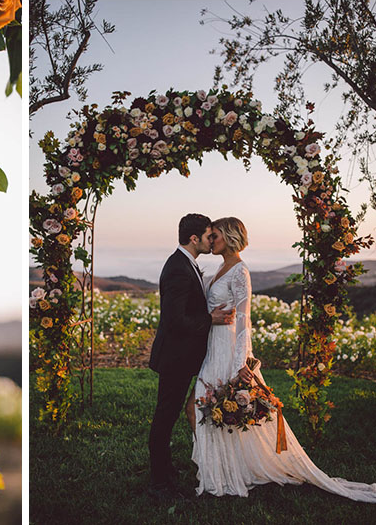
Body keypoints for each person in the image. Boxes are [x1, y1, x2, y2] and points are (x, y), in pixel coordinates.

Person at [191, 216, 376, 501]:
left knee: (219, 403)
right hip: (212, 345)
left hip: (229, 349)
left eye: (214, 235)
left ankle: (229, 471)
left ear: (228, 237)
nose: (210, 240)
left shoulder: (240, 271)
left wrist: (241, 365)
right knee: (206, 402)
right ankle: (219, 468)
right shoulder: (219, 267)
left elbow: (244, 321)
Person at [148, 213, 235, 497]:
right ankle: (160, 482)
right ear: (195, 238)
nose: (213, 241)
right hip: (175, 357)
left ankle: (166, 470)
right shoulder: (177, 269)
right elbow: (175, 320)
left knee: (169, 415)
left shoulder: (187, 264)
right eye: (210, 236)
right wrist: (210, 319)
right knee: (165, 417)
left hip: (182, 356)